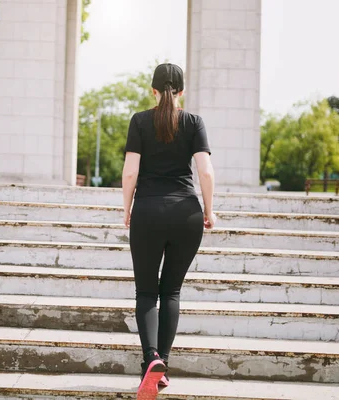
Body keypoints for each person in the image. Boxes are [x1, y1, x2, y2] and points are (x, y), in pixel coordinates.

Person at [122, 63, 216, 399]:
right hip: (186, 213)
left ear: (153, 90)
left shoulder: (140, 121)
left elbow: (130, 172)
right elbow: (205, 171)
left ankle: (151, 360)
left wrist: (126, 208)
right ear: (181, 91)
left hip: (148, 210)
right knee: (171, 292)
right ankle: (162, 368)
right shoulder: (194, 122)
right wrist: (209, 209)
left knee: (147, 293)